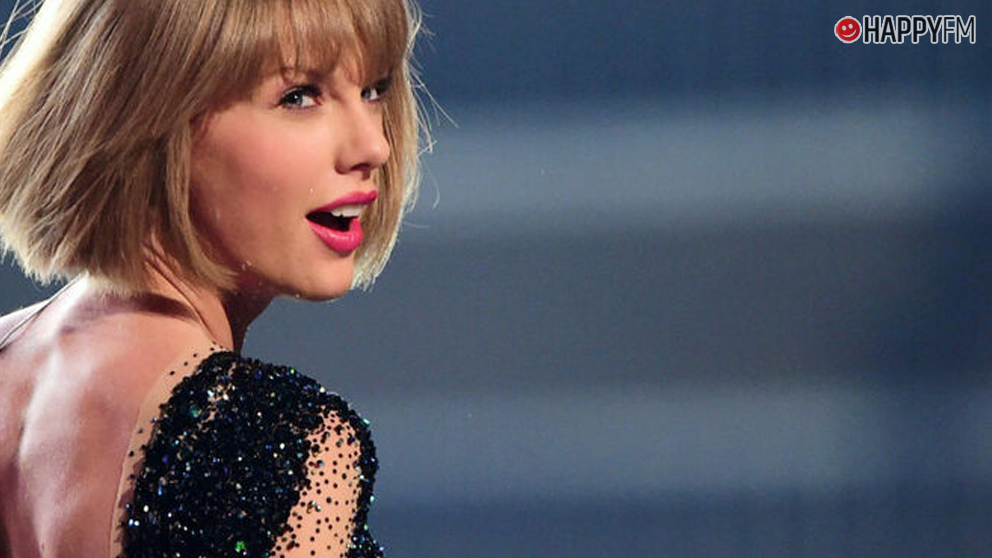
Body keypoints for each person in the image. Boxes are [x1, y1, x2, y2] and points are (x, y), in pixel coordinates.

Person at [0, 0, 423, 556]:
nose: (374, 146)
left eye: (373, 89)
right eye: (299, 97)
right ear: (147, 121)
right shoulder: (272, 443)